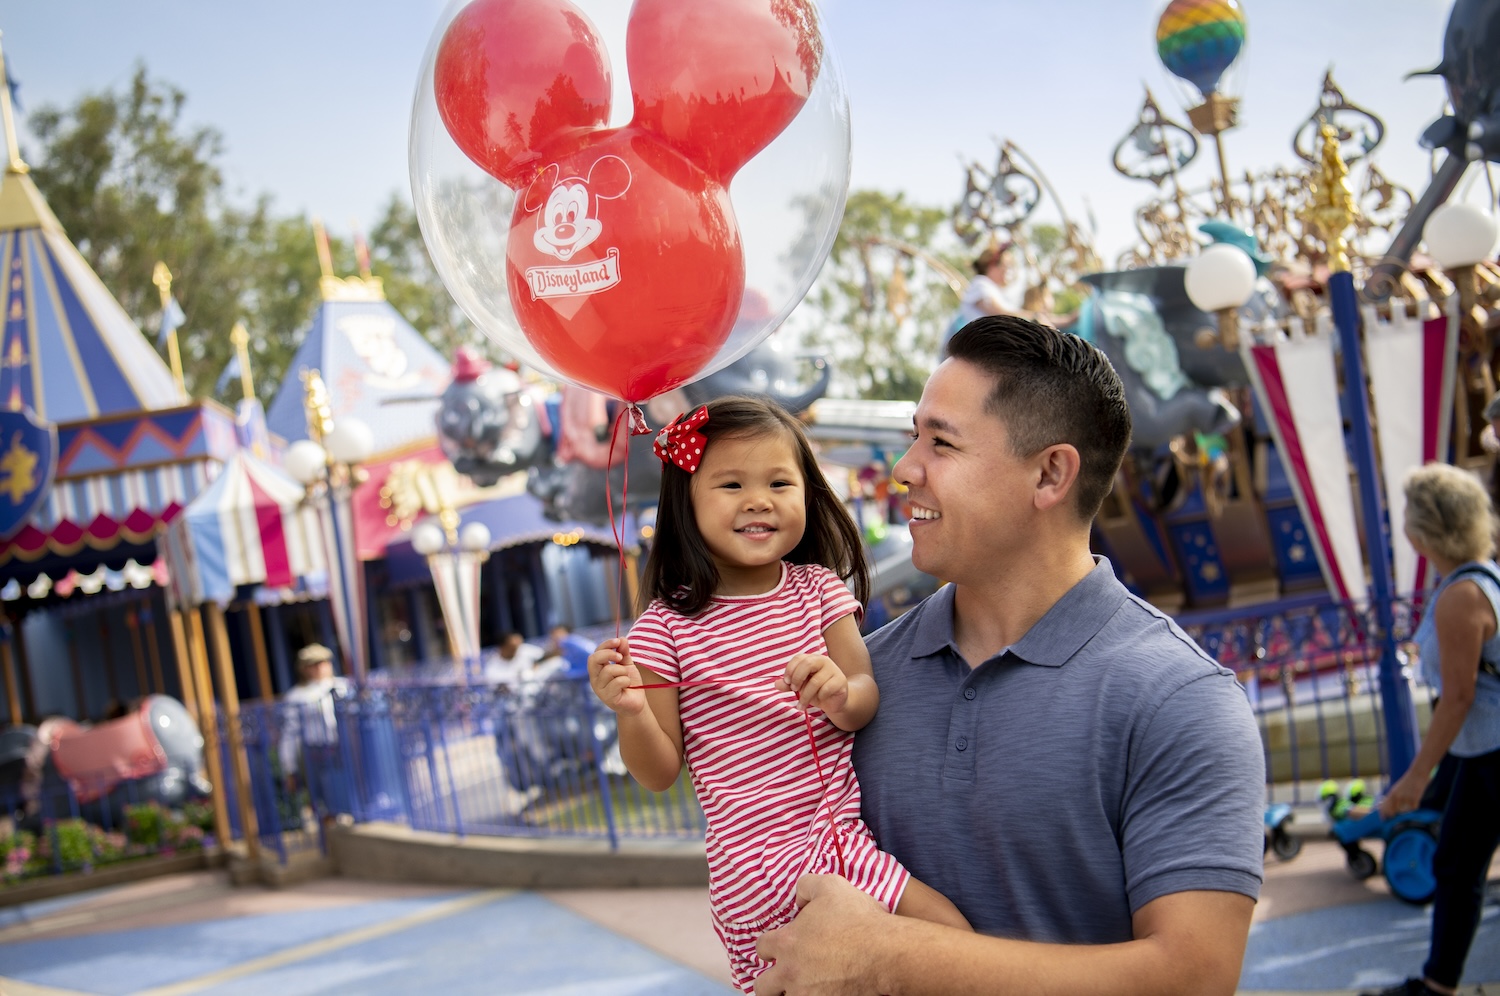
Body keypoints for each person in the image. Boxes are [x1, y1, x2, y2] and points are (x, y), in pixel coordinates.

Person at [755, 316, 1265, 996]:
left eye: (941, 442)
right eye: (915, 437)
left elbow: (1194, 977)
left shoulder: (1179, 700)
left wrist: (893, 959)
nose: (906, 469)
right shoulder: (854, 684)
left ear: (1051, 473)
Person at [588, 396, 970, 993]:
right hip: (755, 865)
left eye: (779, 482)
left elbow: (864, 696)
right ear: (686, 502)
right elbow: (659, 772)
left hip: (839, 838)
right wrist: (631, 710)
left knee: (938, 942)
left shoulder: (817, 590)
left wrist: (841, 693)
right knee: (939, 938)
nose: (758, 499)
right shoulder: (663, 629)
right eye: (731, 483)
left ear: (807, 495)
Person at [1362, 463, 1500, 996]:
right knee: (1456, 862)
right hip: (1482, 751)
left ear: (1425, 529)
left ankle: (1438, 984)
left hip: (1490, 752)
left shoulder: (1462, 595)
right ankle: (1438, 983)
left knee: (1459, 864)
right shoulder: (1476, 577)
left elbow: (1459, 698)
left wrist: (1417, 778)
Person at [279, 643, 352, 817]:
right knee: (325, 799)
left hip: (344, 748)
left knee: (349, 792)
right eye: (314, 664)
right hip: (316, 752)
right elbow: (290, 734)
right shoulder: (296, 696)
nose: (320, 667)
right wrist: (289, 767)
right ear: (304, 669)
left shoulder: (344, 687)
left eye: (323, 662)